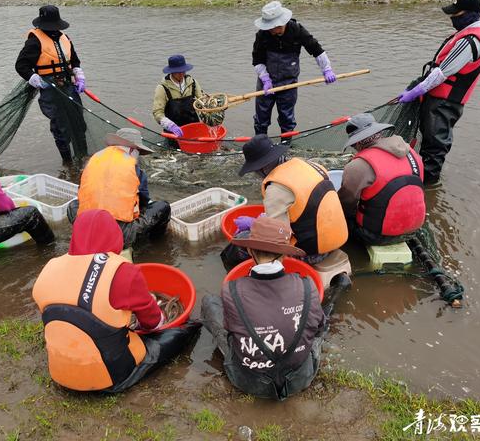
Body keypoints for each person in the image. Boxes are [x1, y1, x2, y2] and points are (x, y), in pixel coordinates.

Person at [33, 209, 200, 392]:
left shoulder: (50, 267)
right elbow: (152, 323)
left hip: (60, 373)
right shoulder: (122, 271)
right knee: (182, 331)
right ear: (114, 235)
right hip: (110, 376)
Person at [202, 217, 325, 400]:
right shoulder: (308, 286)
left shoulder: (231, 290)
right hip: (300, 379)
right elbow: (320, 328)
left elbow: (230, 331)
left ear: (250, 251)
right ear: (284, 255)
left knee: (210, 302)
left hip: (249, 382)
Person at [397, 0, 480, 185]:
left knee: (435, 147)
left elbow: (442, 73)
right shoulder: (465, 33)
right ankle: (422, 181)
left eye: (456, 13)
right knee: (430, 143)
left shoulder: (470, 40)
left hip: (445, 103)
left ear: (471, 14)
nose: (452, 18)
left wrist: (415, 92)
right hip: (438, 100)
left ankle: (428, 189)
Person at [235, 134, 348, 264]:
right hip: (339, 238)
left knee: (240, 241)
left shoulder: (276, 187)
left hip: (313, 252)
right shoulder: (310, 165)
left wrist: (253, 224)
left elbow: (277, 234)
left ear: (261, 168)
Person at [67, 128, 171, 248]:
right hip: (117, 233)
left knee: (73, 205)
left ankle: (84, 237)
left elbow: (82, 192)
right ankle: (153, 246)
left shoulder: (94, 159)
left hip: (88, 226)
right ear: (132, 150)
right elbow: (143, 201)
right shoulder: (133, 168)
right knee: (163, 207)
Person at [339, 114, 426, 246]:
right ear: (379, 132)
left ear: (357, 142)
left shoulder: (358, 166)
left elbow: (345, 204)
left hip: (375, 235)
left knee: (341, 215)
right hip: (414, 229)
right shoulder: (413, 154)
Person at [252, 0, 337, 136]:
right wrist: (266, 79)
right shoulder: (262, 35)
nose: (271, 30)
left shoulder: (296, 30)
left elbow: (316, 49)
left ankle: (286, 145)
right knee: (262, 117)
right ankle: (261, 142)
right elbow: (257, 60)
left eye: (273, 26)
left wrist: (326, 69)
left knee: (287, 117)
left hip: (289, 82)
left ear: (282, 23)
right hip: (266, 81)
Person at [15, 5, 88, 163]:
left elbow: (74, 60)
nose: (53, 30)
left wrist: (79, 75)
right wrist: (36, 79)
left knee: (78, 122)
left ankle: (81, 158)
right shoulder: (34, 41)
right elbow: (21, 66)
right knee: (60, 126)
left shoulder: (65, 38)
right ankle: (67, 162)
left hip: (68, 85)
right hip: (49, 88)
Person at [152, 54, 203, 138]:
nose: (181, 73)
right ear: (171, 71)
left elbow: (202, 102)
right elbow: (157, 112)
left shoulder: (193, 83)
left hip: (194, 128)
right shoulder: (162, 88)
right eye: (178, 71)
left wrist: (215, 108)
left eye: (183, 70)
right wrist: (170, 126)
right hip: (173, 132)